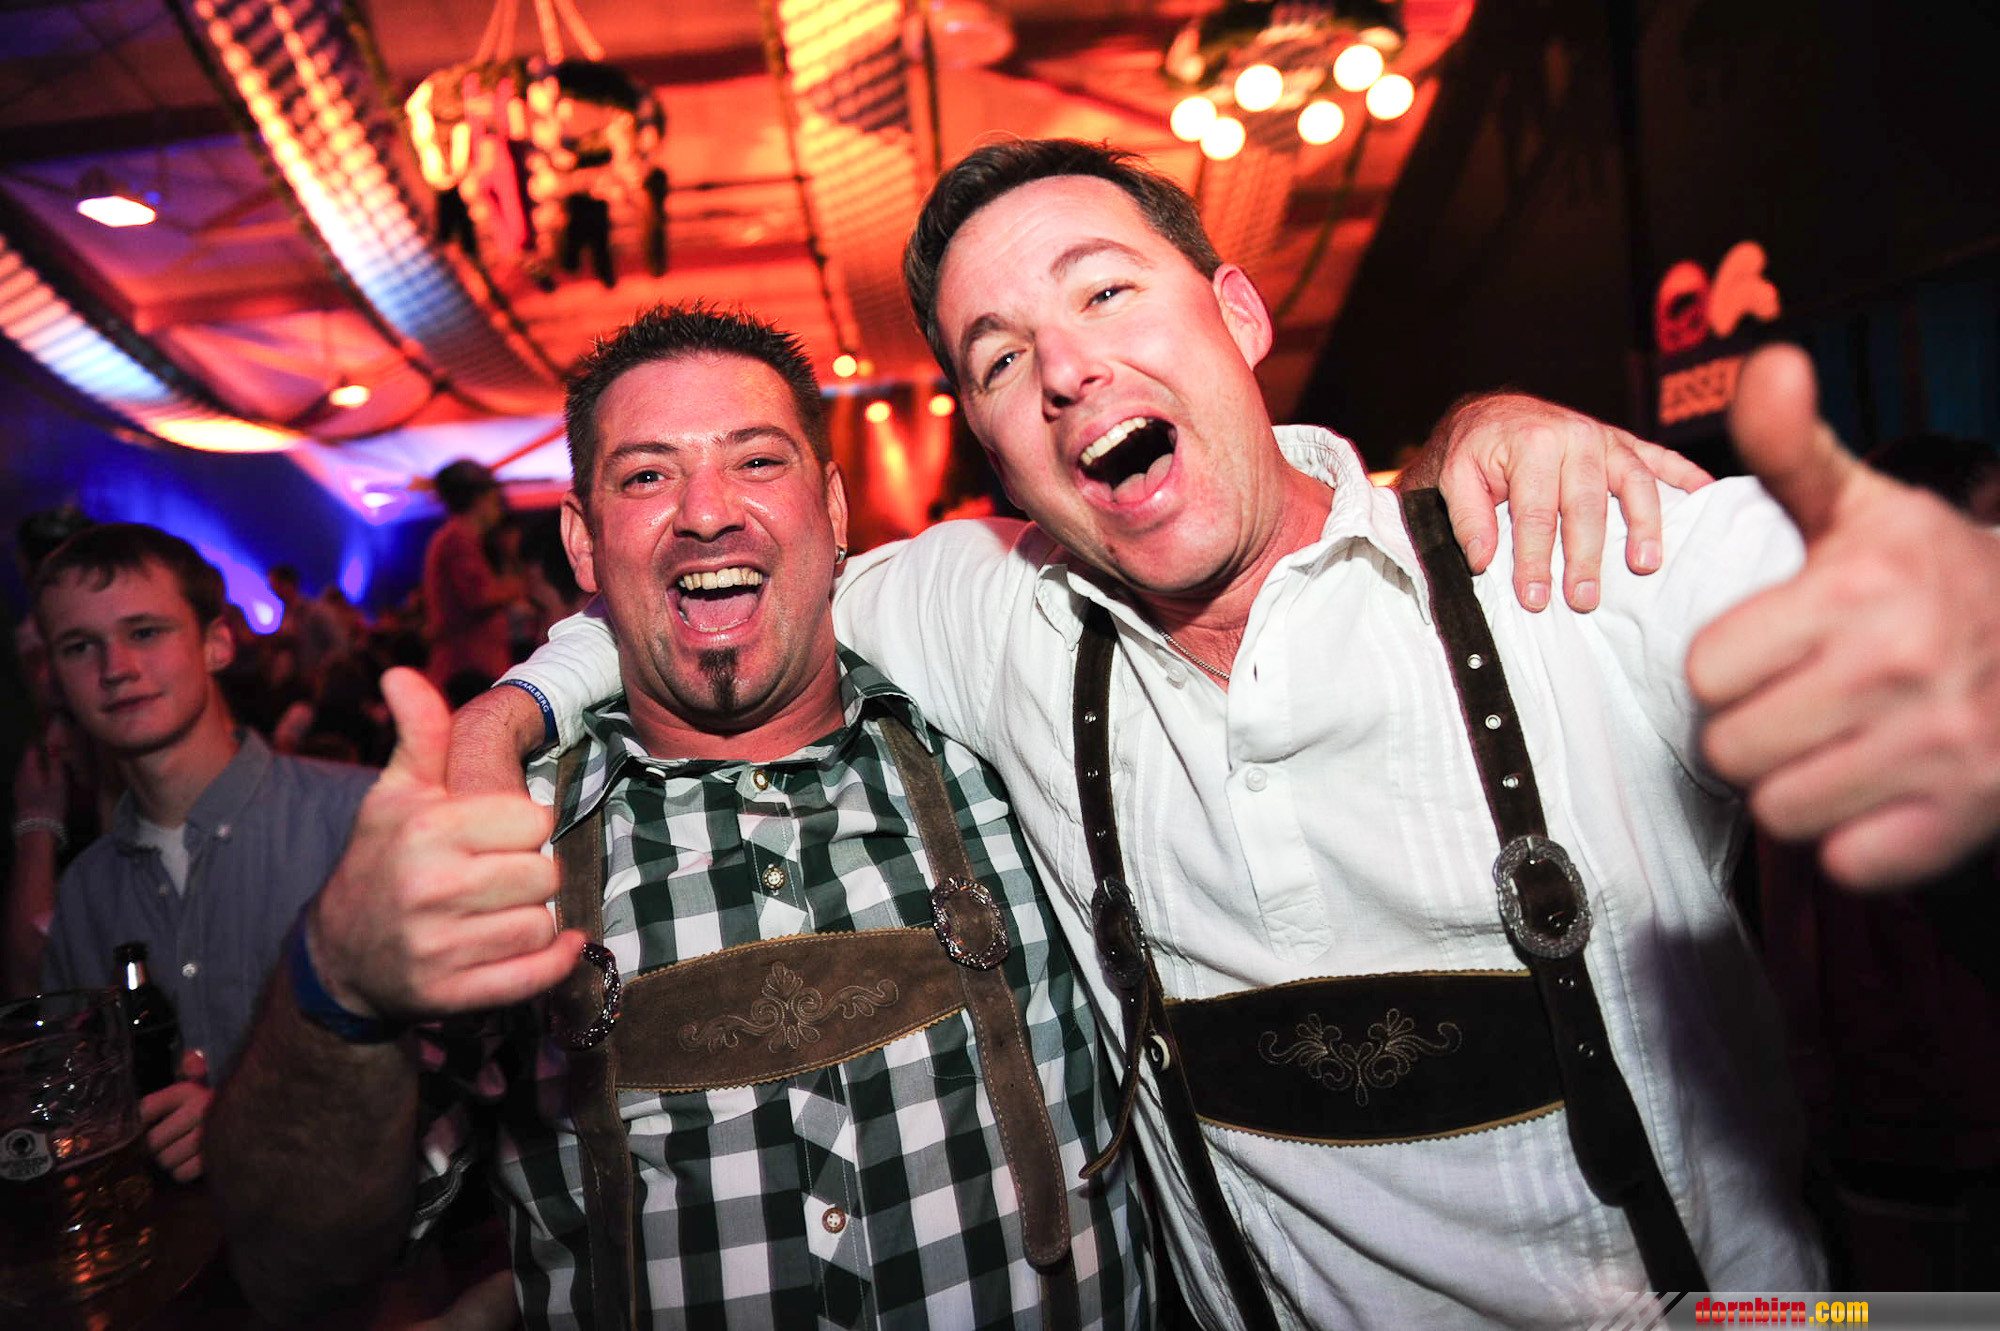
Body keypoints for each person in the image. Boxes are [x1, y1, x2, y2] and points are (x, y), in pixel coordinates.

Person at [468, 141, 2000, 1324]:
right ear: (989, 444)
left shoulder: (1568, 556)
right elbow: (722, 581)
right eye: (999, 358)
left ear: (1241, 313)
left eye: (1107, 291)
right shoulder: (996, 611)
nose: (1068, 367)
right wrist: (511, 711)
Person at [206, 306, 1147, 1329]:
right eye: (647, 475)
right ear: (582, 540)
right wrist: (333, 987)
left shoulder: (1014, 756)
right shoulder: (500, 841)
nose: (706, 512)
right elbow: (296, 1267)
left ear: (834, 508)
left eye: (757, 460)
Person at [34, 523, 376, 1182]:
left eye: (144, 632)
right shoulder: (85, 893)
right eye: (80, 646)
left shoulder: (356, 818)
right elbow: (66, 1099)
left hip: (364, 1237)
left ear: (217, 643)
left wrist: (253, 1116)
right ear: (56, 677)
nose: (115, 668)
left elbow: (453, 1070)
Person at [424, 458, 526, 687]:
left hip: (470, 663)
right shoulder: (457, 540)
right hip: (470, 665)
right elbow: (480, 596)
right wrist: (518, 585)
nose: (499, 507)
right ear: (480, 499)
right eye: (495, 499)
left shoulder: (456, 538)